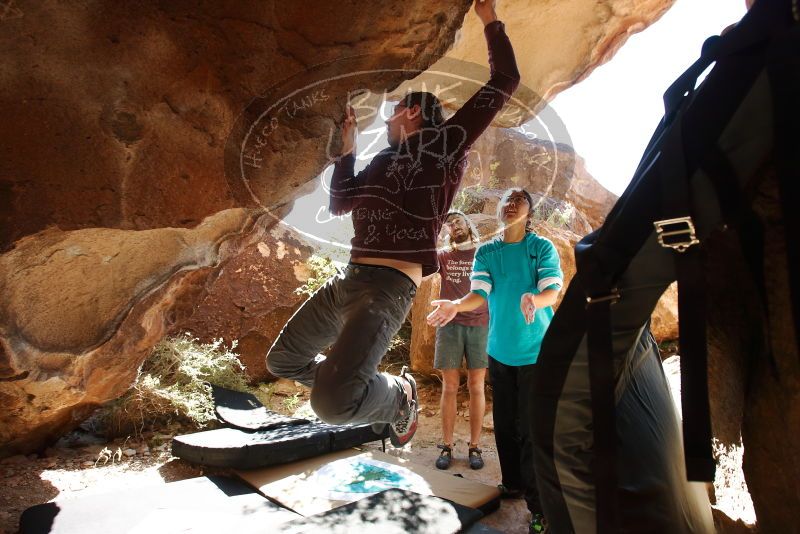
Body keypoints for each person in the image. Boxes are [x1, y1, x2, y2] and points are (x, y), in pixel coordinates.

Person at [266, 0, 520, 448]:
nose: (385, 118)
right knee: (283, 361)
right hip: (350, 279)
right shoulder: (380, 160)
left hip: (387, 289)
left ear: (415, 112)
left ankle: (399, 396)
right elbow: (341, 200)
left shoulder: (447, 143)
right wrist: (346, 152)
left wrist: (489, 18)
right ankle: (355, 381)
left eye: (394, 110)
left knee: (333, 406)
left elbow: (505, 81)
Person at [427, 188, 563, 533]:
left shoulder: (540, 248)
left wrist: (536, 298)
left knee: (531, 431)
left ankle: (539, 508)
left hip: (535, 353)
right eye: (507, 199)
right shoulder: (487, 251)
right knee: (504, 425)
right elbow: (478, 294)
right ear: (501, 209)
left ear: (529, 212)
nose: (511, 202)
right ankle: (514, 484)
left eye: (520, 199)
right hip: (499, 350)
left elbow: (552, 290)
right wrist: (456, 306)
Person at [433, 210, 489, 470]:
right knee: (450, 386)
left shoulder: (484, 254)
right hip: (449, 326)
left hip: (480, 325)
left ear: (468, 224)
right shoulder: (443, 256)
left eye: (457, 221)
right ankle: (446, 446)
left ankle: (475, 447)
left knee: (477, 386)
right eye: (449, 224)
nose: (454, 226)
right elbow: (422, 263)